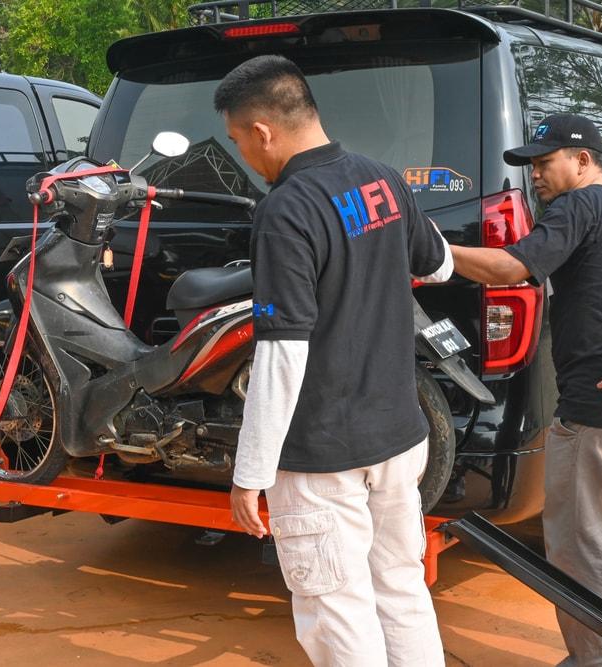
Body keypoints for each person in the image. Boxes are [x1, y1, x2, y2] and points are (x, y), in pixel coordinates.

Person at [216, 55, 453, 667]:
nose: (245, 154)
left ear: (263, 130)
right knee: (401, 587)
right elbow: (438, 264)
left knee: (335, 610)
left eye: (239, 140)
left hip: (323, 455)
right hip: (399, 436)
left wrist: (250, 471)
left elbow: (282, 352)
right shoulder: (382, 179)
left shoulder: (285, 209)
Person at [448, 114, 602, 665]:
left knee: (581, 551)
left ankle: (595, 661)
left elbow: (509, 269)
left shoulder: (579, 205)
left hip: (592, 413)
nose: (535, 175)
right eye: (530, 165)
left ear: (582, 161)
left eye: (544, 162)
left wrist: (435, 250)